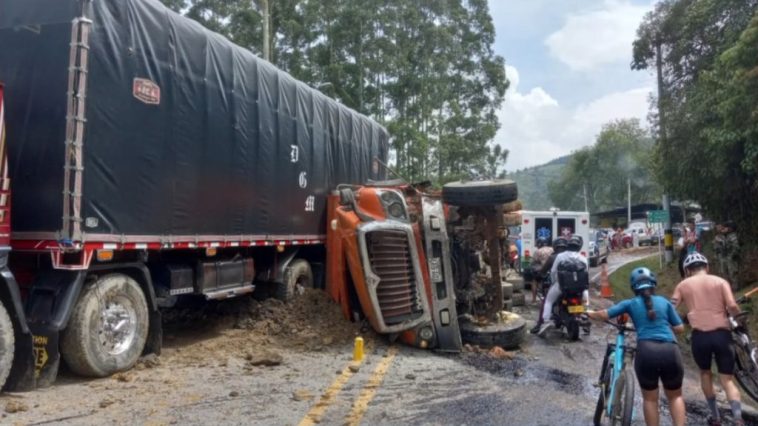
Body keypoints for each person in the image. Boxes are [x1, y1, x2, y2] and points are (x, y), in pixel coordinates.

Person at [587, 268, 686, 426]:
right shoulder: (665, 302)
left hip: (647, 352)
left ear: (633, 287)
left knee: (650, 400)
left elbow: (604, 314)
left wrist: (588, 312)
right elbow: (680, 328)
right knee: (675, 397)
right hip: (670, 351)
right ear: (654, 285)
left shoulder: (631, 303)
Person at [671, 252, 743, 426]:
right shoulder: (720, 281)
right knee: (727, 379)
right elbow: (732, 306)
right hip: (722, 335)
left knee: (705, 373)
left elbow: (671, 306)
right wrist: (739, 320)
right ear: (707, 267)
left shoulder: (682, 285)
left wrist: (683, 318)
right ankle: (738, 418)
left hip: (700, 337)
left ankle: (715, 417)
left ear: (687, 270)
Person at [537, 235, 589, 336]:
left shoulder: (560, 256)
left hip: (561, 286)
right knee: (585, 300)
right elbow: (586, 273)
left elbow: (553, 271)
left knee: (548, 300)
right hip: (579, 288)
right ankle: (584, 314)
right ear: (579, 247)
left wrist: (554, 282)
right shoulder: (583, 258)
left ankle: (546, 321)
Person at [529, 237, 567, 334]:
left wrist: (538, 273)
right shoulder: (570, 255)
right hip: (574, 284)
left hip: (555, 281)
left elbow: (539, 267)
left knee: (546, 301)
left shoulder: (546, 254)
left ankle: (541, 323)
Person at [529, 237, 554, 304]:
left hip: (543, 271)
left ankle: (534, 300)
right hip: (553, 271)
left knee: (534, 281)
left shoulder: (538, 251)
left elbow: (533, 262)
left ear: (539, 244)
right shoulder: (552, 249)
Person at [723, 221, 741, 290]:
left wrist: (732, 255)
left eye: (726, 227)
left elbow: (736, 247)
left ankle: (736, 287)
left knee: (733, 272)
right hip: (728, 256)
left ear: (730, 228)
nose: (725, 229)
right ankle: (733, 287)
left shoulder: (733, 236)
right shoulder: (728, 236)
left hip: (732, 257)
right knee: (730, 272)